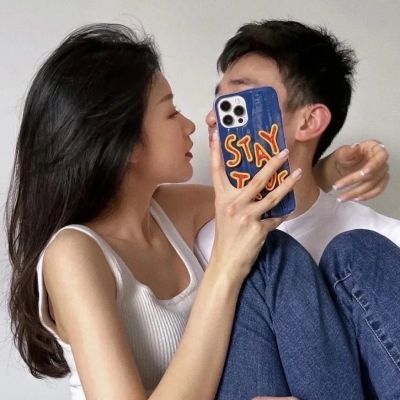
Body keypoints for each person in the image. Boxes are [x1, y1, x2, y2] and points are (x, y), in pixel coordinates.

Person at [5, 23, 391, 400]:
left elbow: (262, 198)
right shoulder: (73, 254)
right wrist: (226, 265)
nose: (194, 124)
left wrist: (331, 170)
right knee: (270, 257)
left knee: (352, 251)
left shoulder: (170, 212)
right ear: (126, 140)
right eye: (171, 113)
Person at [192, 20, 400, 399]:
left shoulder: (385, 245)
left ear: (309, 120)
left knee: (355, 252)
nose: (212, 118)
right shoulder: (193, 245)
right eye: (217, 102)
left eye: (237, 101)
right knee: (267, 258)